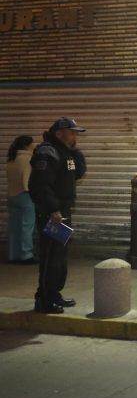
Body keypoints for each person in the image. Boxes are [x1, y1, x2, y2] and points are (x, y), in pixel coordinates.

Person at [29, 117, 87, 314]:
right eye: (72, 132)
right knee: (50, 256)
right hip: (52, 214)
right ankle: (44, 300)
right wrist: (53, 209)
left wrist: (74, 149)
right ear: (59, 133)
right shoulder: (47, 152)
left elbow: (79, 172)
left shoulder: (65, 152)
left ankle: (54, 294)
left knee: (59, 257)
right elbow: (40, 184)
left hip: (63, 212)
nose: (74, 135)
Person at [6, 135, 37, 264]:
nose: (34, 145)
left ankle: (13, 255)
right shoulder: (28, 159)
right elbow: (27, 179)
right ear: (27, 145)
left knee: (14, 227)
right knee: (27, 226)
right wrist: (31, 192)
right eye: (33, 143)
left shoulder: (12, 159)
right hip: (25, 195)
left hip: (12, 195)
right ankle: (26, 255)